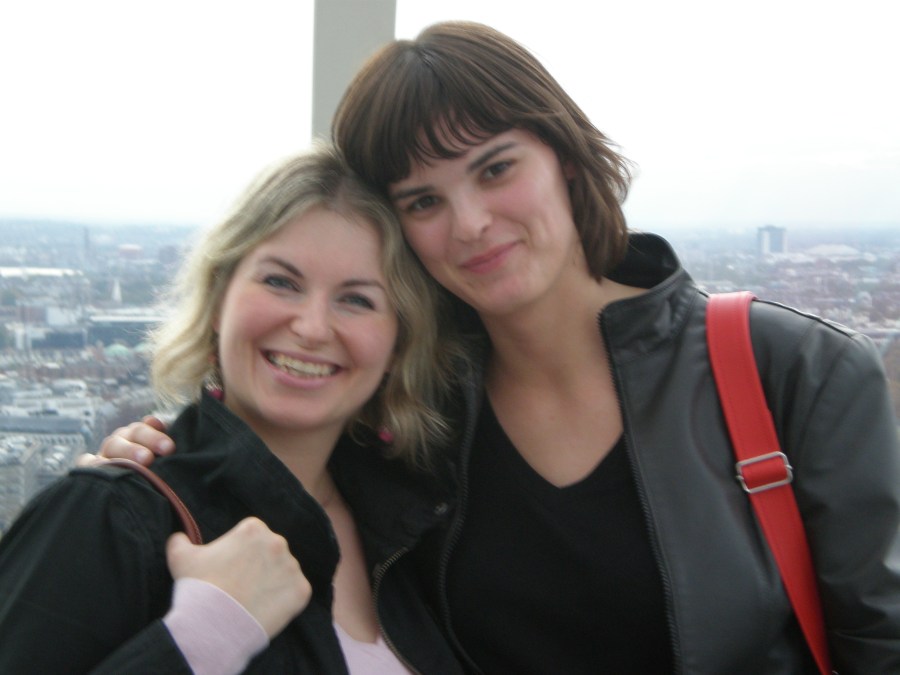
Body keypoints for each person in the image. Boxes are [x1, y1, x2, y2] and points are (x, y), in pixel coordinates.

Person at [96, 21, 900, 674]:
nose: (471, 222)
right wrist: (159, 458)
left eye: (496, 167)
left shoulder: (794, 373)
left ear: (566, 155)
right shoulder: (406, 408)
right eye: (423, 199)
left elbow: (879, 642)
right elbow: (273, 437)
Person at [0, 144, 464, 673]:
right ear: (220, 299)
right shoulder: (112, 518)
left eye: (357, 299)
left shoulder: (417, 531)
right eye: (280, 282)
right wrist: (208, 633)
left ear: (398, 345)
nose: (312, 328)